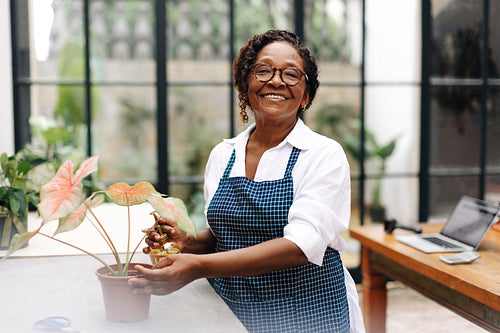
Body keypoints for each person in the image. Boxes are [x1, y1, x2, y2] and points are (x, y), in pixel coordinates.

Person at [130, 29, 365, 333]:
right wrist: (188, 243)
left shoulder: (322, 155)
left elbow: (300, 246)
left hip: (308, 314)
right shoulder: (223, 155)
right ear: (246, 86)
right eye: (263, 70)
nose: (276, 81)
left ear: (306, 95)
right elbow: (225, 234)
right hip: (233, 311)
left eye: (291, 74)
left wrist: (199, 267)